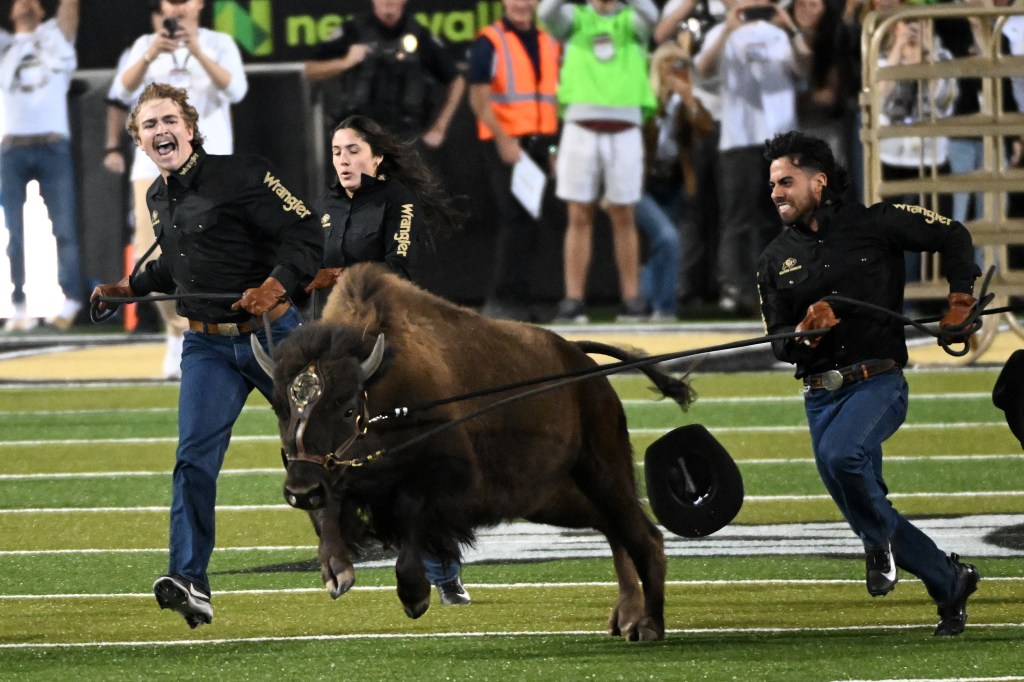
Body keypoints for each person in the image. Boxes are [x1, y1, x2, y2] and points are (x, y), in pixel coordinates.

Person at [90, 83, 323, 628]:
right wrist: (133, 287)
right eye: (149, 125)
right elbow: (182, 263)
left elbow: (306, 230)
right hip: (206, 346)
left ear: (191, 127)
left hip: (272, 333)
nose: (161, 130)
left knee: (326, 444)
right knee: (193, 461)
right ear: (139, 143)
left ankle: (428, 550)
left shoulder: (243, 173)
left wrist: (277, 284)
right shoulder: (155, 195)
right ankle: (190, 581)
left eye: (169, 119)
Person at [757, 130, 982, 637]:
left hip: (877, 383)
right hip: (820, 397)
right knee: (867, 502)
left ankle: (876, 544)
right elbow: (777, 341)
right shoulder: (774, 260)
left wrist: (960, 301)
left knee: (842, 460)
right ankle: (951, 583)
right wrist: (802, 337)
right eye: (772, 184)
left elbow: (953, 234)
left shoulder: (875, 223)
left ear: (818, 182)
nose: (775, 193)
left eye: (785, 181)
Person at [306, 115, 469, 605]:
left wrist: (337, 275)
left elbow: (397, 269)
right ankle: (334, 550)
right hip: (331, 348)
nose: (343, 160)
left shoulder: (397, 200)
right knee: (313, 449)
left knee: (409, 456)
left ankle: (441, 569)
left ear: (376, 157)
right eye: (337, 152)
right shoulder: (325, 206)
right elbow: (303, 268)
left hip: (385, 345)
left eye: (354, 150)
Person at [107, 0, 248, 378]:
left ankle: (217, 338)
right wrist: (153, 51)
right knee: (148, 256)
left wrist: (197, 50)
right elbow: (120, 91)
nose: (178, 6)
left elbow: (236, 91)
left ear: (200, 4)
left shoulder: (219, 44)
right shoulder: (144, 46)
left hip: (211, 165)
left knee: (215, 253)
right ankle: (176, 332)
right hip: (151, 169)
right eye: (171, 1)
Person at [538, 0, 659, 323]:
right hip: (580, 125)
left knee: (624, 214)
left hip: (626, 127)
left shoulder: (631, 21)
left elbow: (652, 15)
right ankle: (574, 300)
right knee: (578, 213)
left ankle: (632, 300)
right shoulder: (574, 19)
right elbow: (545, 12)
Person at [695, 0, 810, 315]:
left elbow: (804, 69)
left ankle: (784, 287)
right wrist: (728, 31)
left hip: (781, 141)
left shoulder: (779, 35)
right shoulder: (721, 31)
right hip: (738, 139)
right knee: (738, 219)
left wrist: (793, 29)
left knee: (784, 217)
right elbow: (702, 71)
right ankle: (735, 290)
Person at [467, 0, 561, 322]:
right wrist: (504, 139)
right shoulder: (490, 40)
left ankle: (520, 299)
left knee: (530, 223)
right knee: (514, 219)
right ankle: (502, 300)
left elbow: (552, 102)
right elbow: (478, 98)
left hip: (539, 145)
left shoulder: (549, 41)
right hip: (505, 143)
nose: (521, 4)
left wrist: (552, 152)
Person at [0, 0, 83, 332]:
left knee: (63, 228)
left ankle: (72, 298)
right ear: (9, 13)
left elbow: (70, 10)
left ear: (44, 10)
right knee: (13, 230)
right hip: (11, 146)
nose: (26, 3)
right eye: (19, 0)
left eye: (33, 0)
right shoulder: (5, 46)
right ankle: (18, 302)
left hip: (52, 144)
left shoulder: (55, 38)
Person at [303, 0, 465, 149]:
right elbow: (311, 70)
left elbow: (456, 81)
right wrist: (346, 62)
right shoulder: (352, 31)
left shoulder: (420, 35)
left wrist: (439, 128)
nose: (388, 1)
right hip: (360, 136)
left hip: (407, 137)